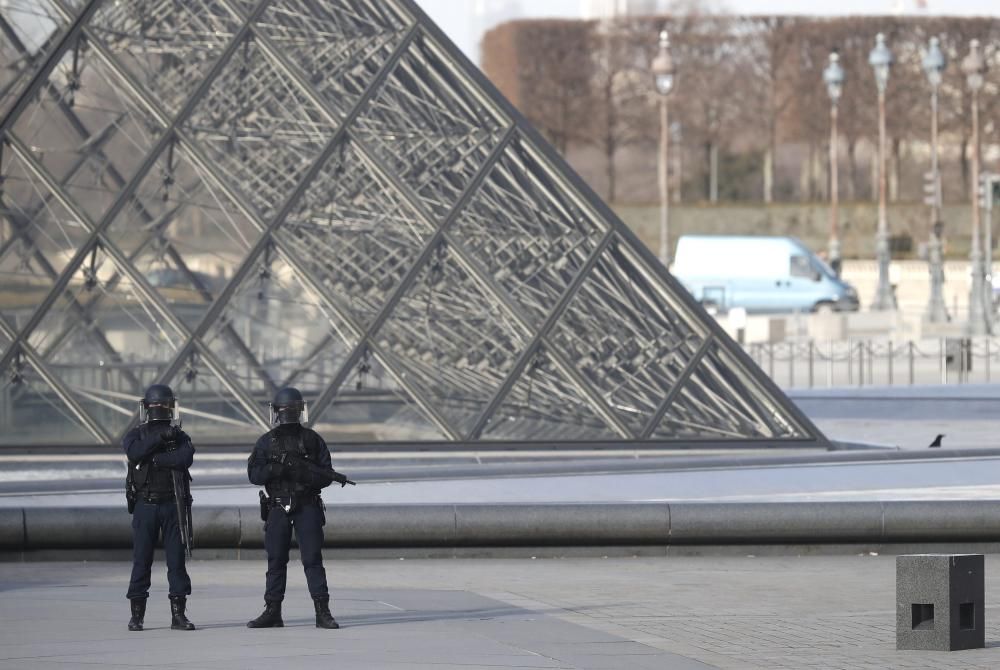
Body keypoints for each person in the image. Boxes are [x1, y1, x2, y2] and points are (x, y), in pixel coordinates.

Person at [246, 387, 340, 629]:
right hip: (281, 506)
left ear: (276, 411)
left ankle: (320, 610)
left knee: (303, 560)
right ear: (300, 410)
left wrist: (302, 474)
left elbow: (326, 475)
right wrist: (277, 469)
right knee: (287, 560)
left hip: (304, 504)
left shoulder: (303, 440)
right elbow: (255, 474)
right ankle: (278, 611)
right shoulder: (301, 439)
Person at [122, 384, 195, 632]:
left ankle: (178, 615)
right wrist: (158, 440)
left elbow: (185, 458)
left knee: (176, 562)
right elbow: (134, 454)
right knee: (141, 561)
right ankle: (137, 616)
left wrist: (155, 459)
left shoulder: (179, 436)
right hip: (146, 504)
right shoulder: (138, 435)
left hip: (172, 504)